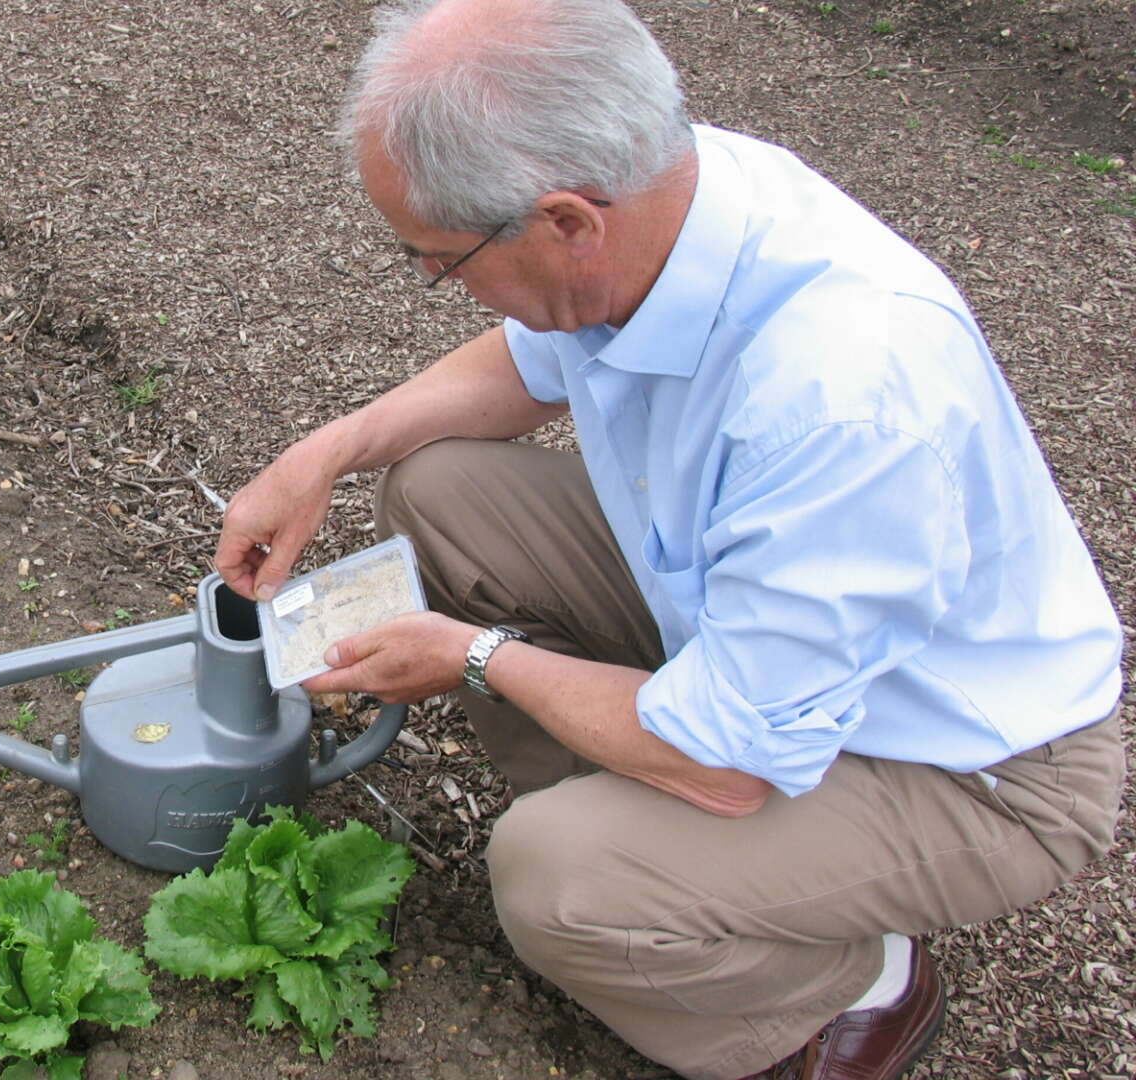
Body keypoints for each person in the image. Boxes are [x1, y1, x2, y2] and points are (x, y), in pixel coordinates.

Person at [211, 0, 1127, 1077]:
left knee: (556, 879)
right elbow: (523, 368)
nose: (432, 283)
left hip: (960, 758)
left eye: (441, 261)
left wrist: (473, 655)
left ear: (566, 223)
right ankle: (669, 844)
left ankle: (848, 985)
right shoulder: (664, 195)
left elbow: (730, 761)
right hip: (764, 645)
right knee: (443, 492)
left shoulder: (843, 394)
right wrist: (324, 454)